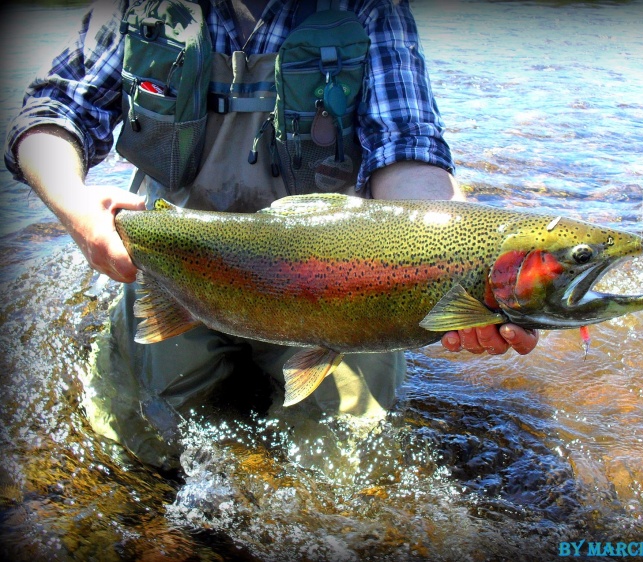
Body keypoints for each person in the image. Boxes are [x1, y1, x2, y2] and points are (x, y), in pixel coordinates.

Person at [4, 0, 539, 471]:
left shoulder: (371, 7)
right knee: (153, 443)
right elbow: (50, 111)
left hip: (338, 282)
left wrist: (464, 266)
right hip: (179, 261)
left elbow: (407, 148)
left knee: (344, 465)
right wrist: (79, 213)